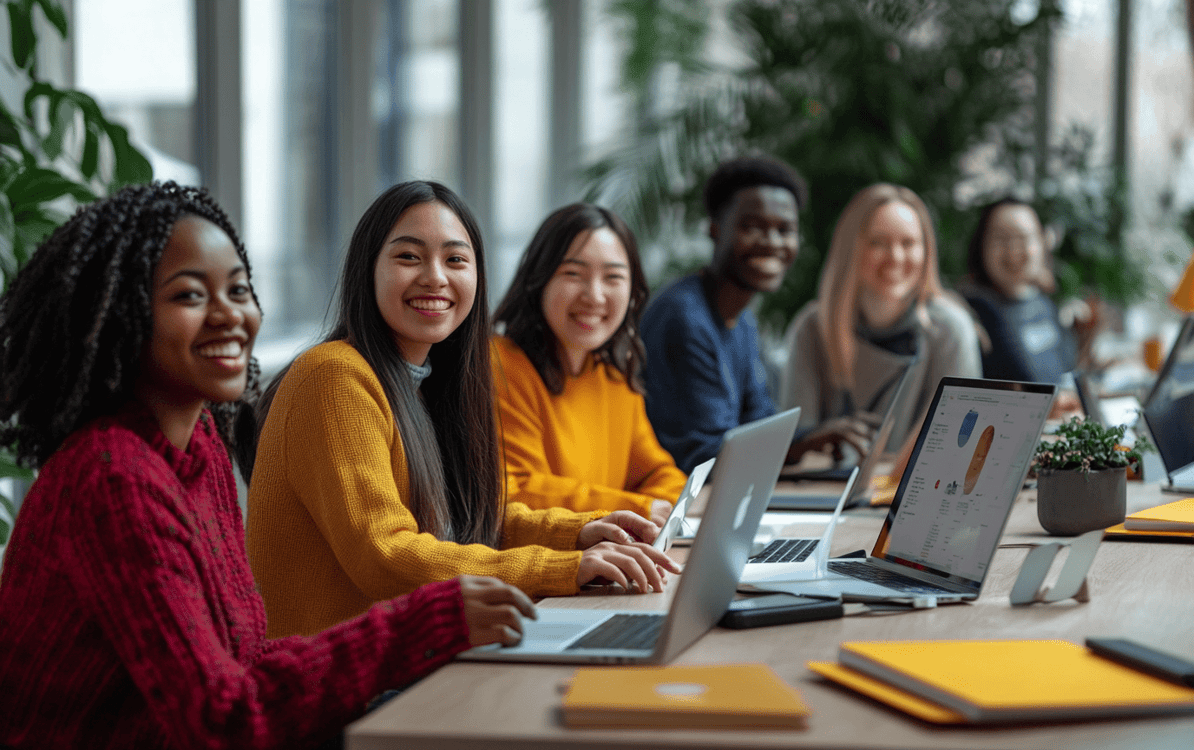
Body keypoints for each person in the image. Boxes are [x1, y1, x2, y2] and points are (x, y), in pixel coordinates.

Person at [0, 182, 537, 750]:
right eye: (189, 296)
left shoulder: (199, 445)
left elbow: (243, 658)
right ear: (116, 314)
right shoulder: (111, 478)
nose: (229, 315)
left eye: (238, 290)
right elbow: (221, 720)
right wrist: (419, 627)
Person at [245, 181, 678, 639]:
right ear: (366, 269)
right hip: (341, 683)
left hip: (417, 657)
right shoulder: (334, 377)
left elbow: (468, 521)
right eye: (409, 256)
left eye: (455, 260)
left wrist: (580, 533)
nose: (435, 277)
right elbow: (385, 557)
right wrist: (562, 567)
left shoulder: (432, 381)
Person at [640, 155, 852, 473]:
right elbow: (706, 455)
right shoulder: (684, 318)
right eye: (753, 227)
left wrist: (816, 436)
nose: (772, 243)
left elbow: (759, 423)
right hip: (679, 506)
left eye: (785, 229)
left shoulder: (741, 320)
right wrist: (798, 446)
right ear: (714, 229)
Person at [491, 204, 688, 527]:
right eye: (573, 274)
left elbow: (661, 473)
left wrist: (649, 505)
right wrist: (637, 508)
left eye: (613, 277)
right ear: (538, 281)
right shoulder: (501, 365)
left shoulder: (613, 375)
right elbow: (518, 490)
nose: (594, 296)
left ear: (633, 292)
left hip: (608, 556)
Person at [780, 183, 982, 452]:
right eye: (877, 243)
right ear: (850, 249)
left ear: (926, 251)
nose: (895, 257)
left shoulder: (949, 329)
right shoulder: (812, 326)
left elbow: (957, 444)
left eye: (908, 243)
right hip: (825, 488)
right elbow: (793, 442)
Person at [960, 197, 1078, 384]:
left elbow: (1069, 371)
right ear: (981, 245)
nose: (1013, 250)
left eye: (1023, 237)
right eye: (1001, 238)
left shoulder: (1044, 304)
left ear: (1041, 244)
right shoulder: (968, 313)